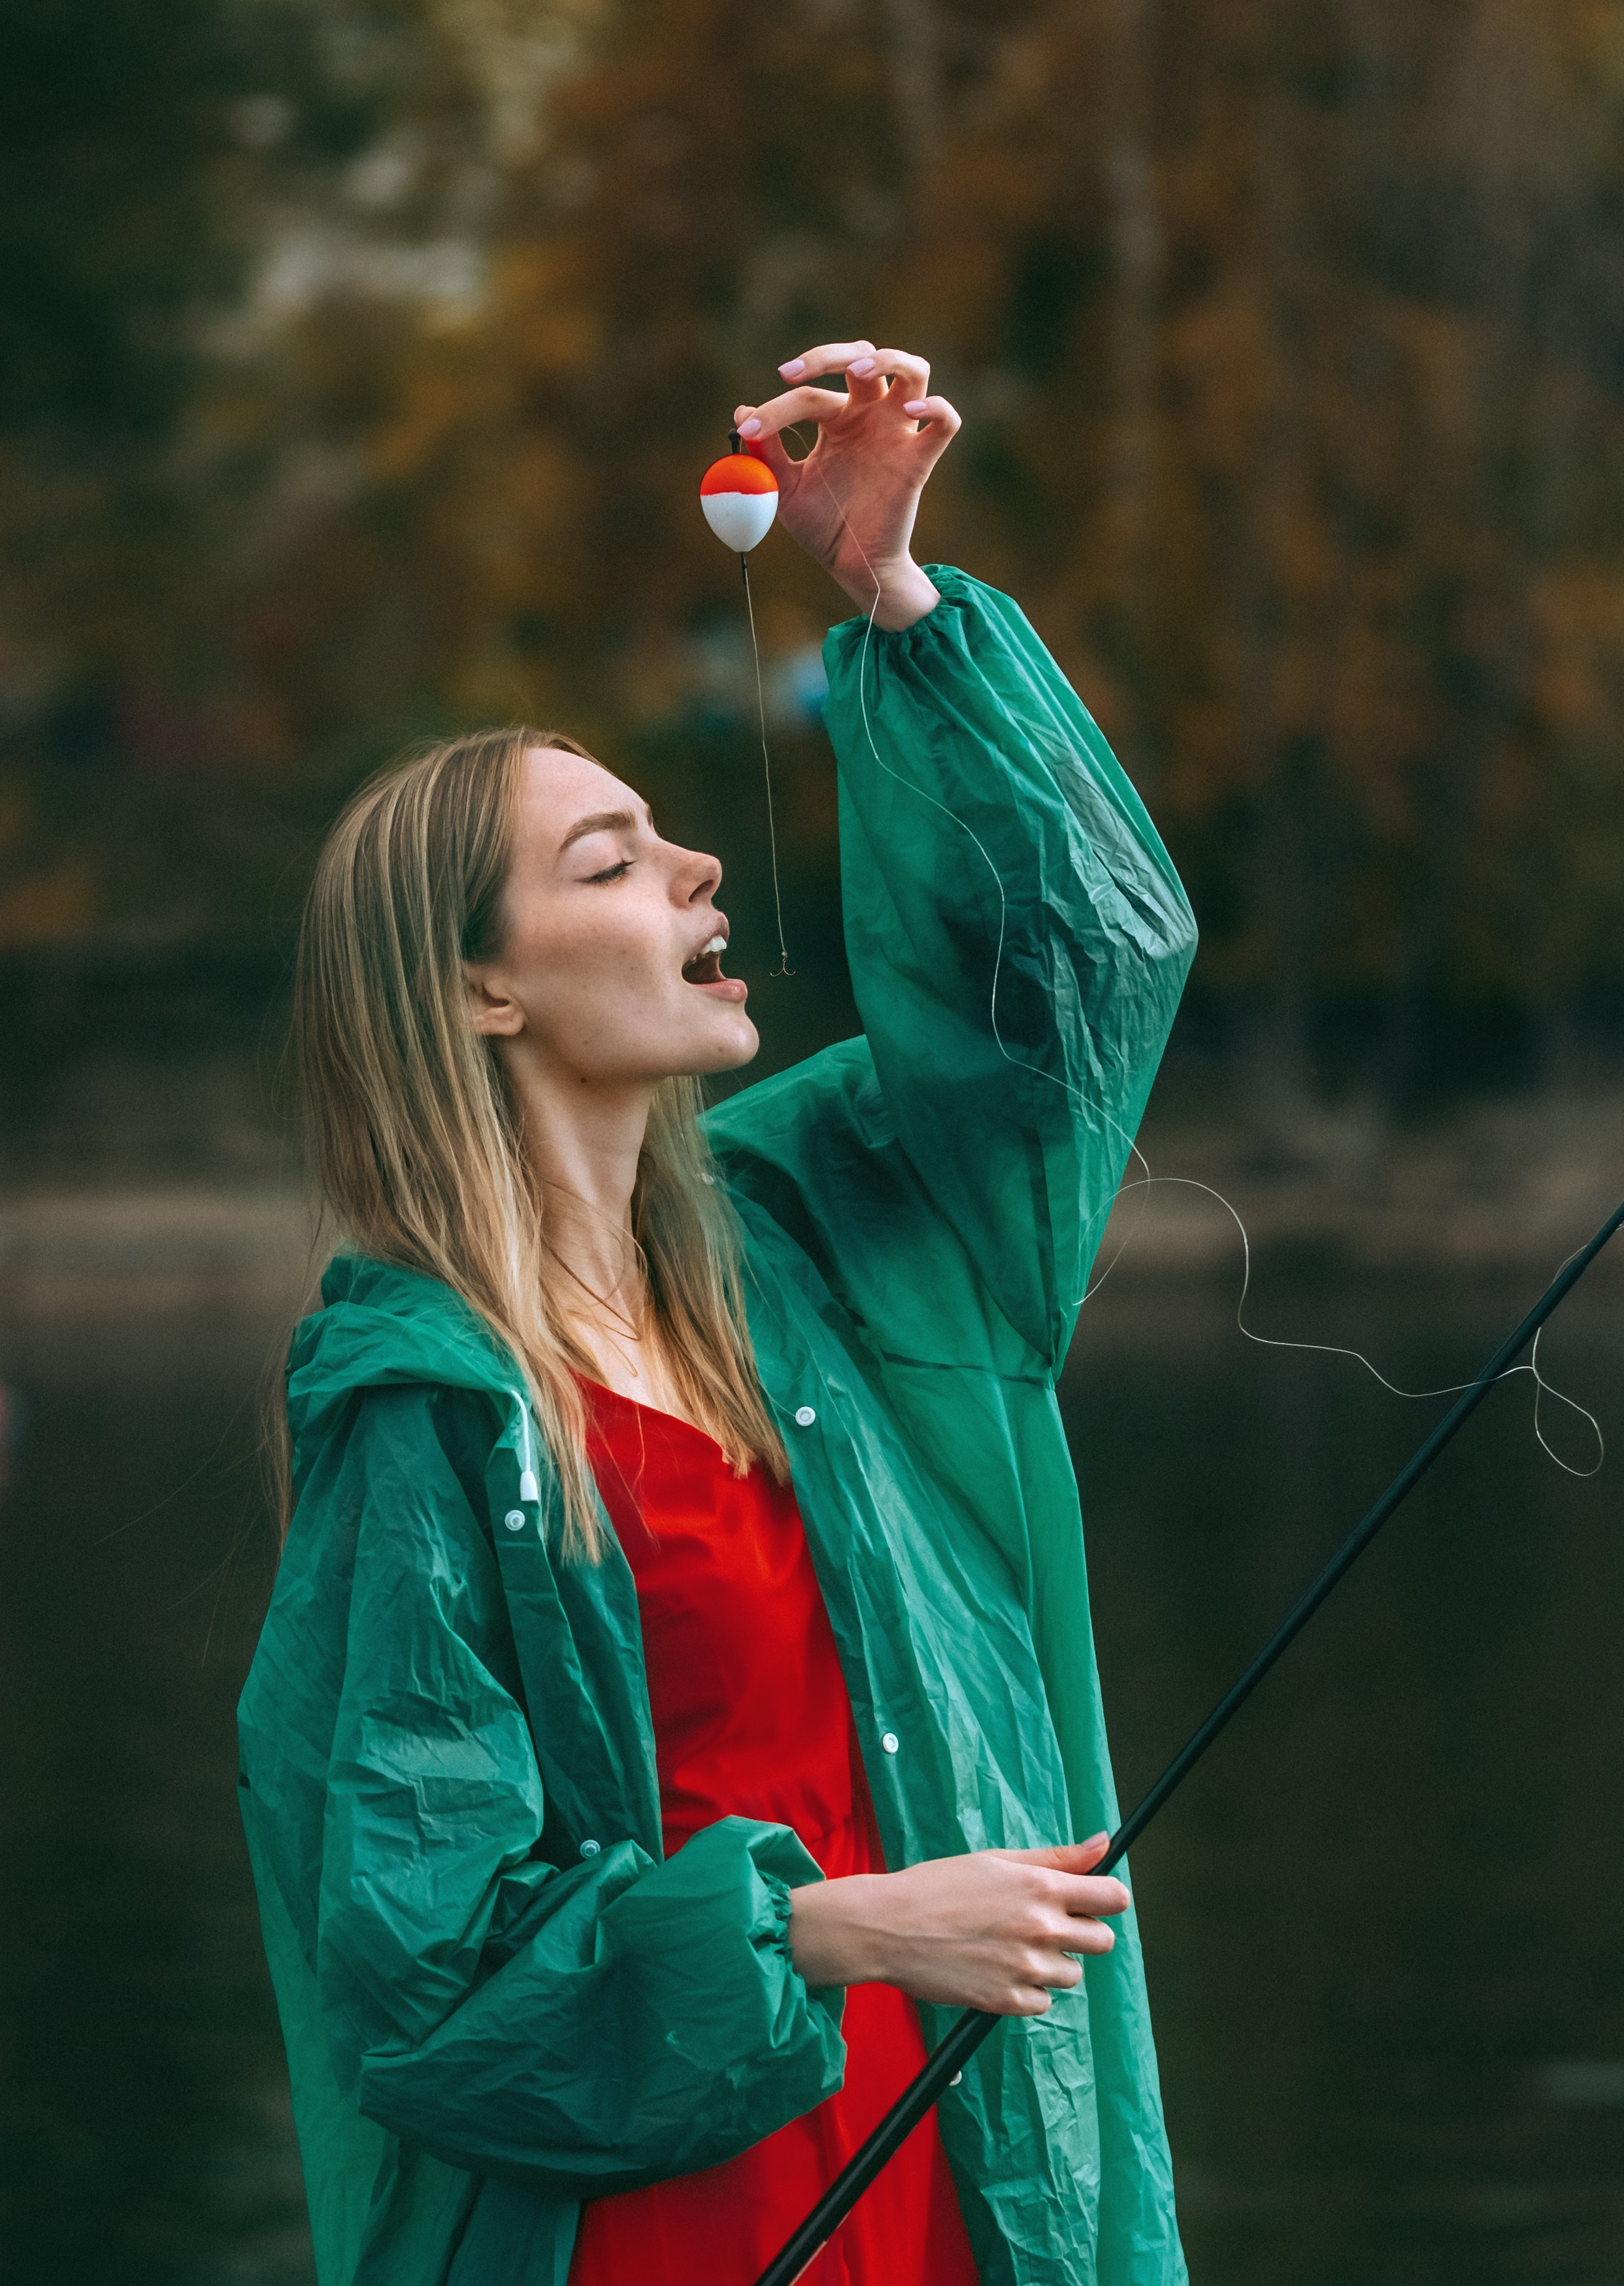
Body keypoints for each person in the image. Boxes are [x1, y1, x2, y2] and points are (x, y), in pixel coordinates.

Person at [238, 338, 1199, 2286]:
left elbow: (1079, 977)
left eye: (666, 828)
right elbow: (423, 1976)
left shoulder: (824, 1238)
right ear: (484, 993)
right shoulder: (426, 1407)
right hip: (670, 2229)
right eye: (606, 858)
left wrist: (898, 606)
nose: (691, 860)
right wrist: (841, 1929)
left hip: (961, 2187)